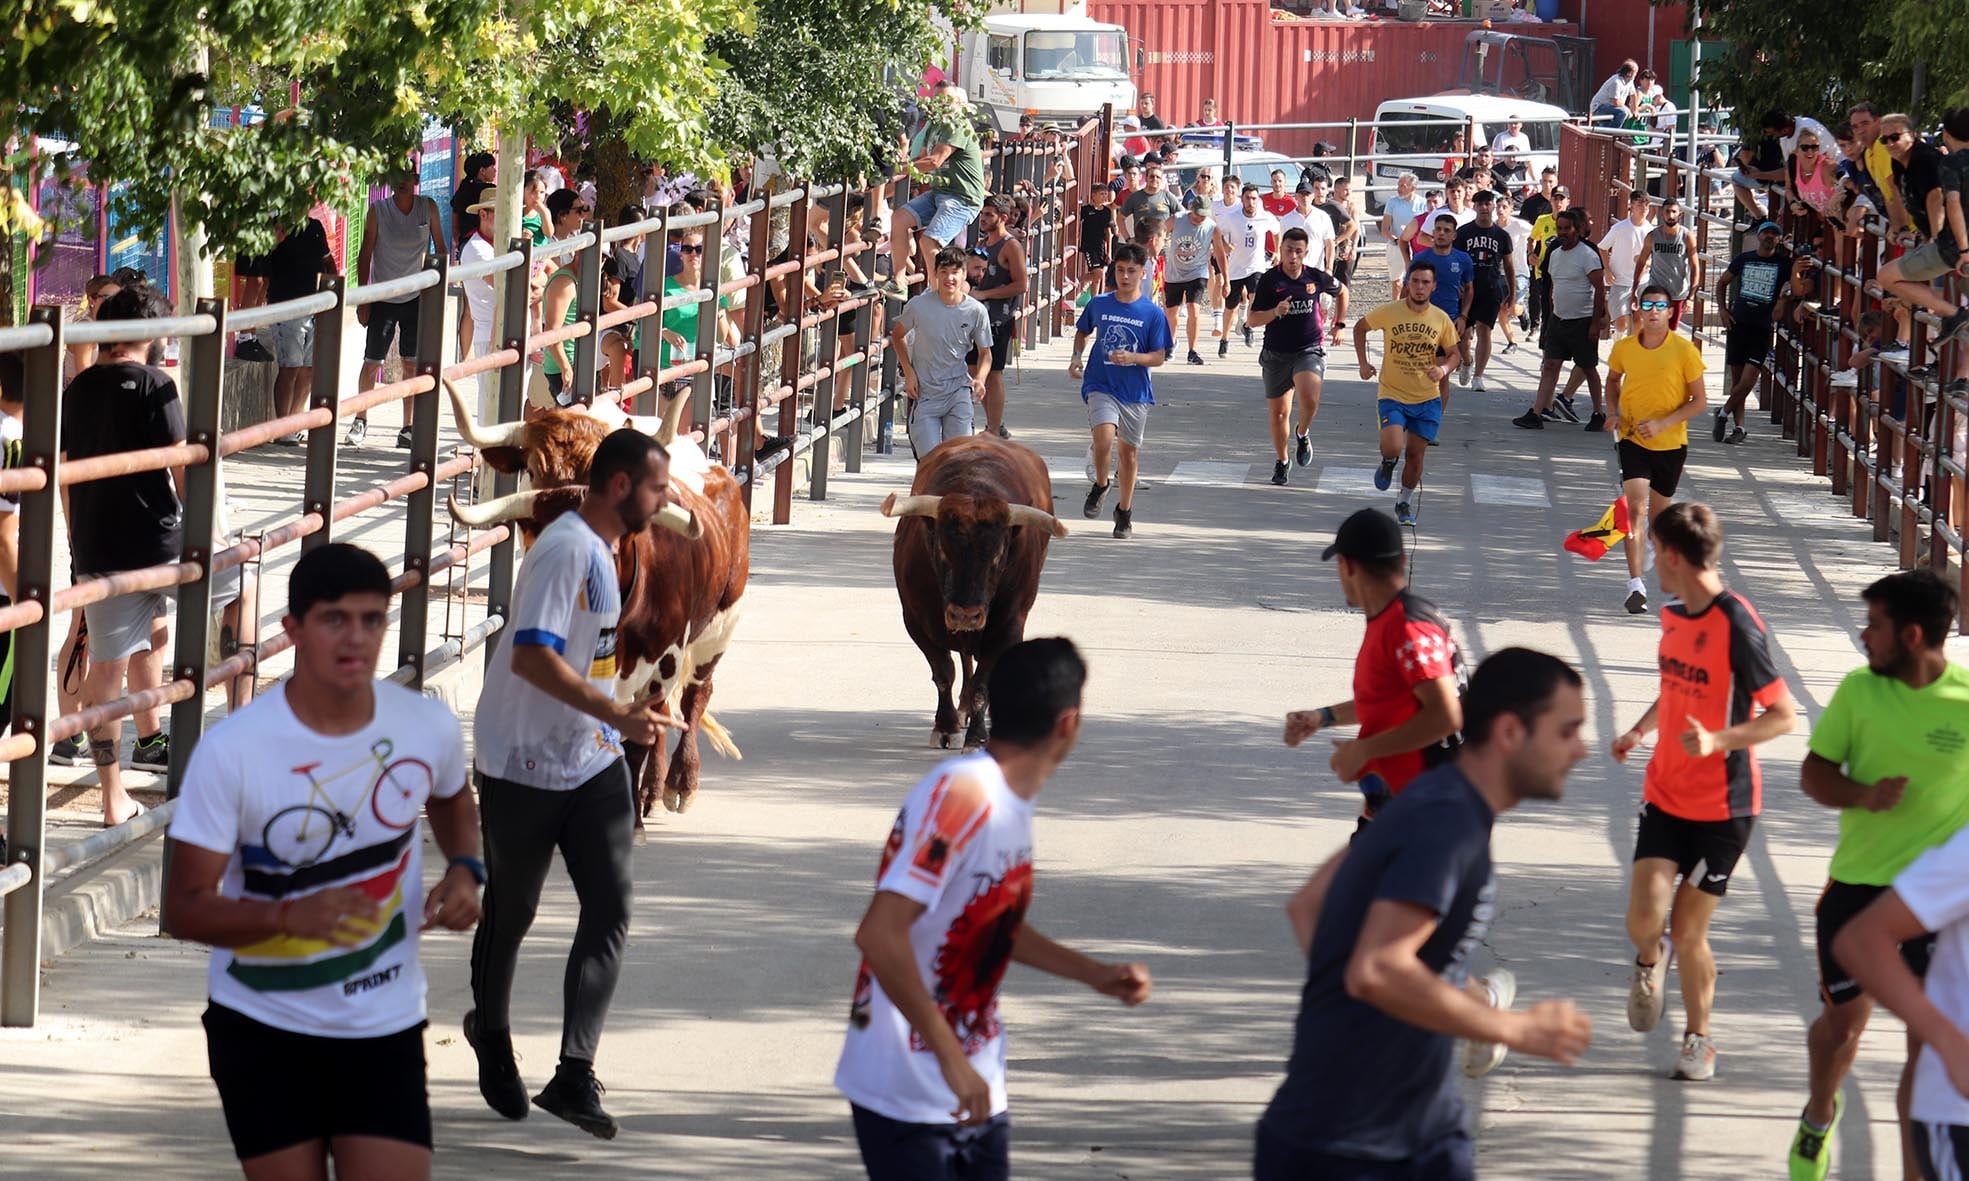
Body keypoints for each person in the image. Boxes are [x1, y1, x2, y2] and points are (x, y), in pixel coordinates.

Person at [165, 543, 481, 1180]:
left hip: (383, 1027)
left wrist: (467, 867)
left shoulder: (427, 727)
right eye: (334, 619)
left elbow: (451, 797)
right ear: (293, 631)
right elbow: (183, 908)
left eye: (372, 620)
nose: (356, 638)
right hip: (262, 1027)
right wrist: (286, 917)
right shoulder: (233, 750)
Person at [1260, 646, 1593, 1180]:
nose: (1581, 750)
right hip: (1356, 1146)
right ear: (1509, 733)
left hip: (1400, 1127)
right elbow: (1380, 968)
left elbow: (1311, 907)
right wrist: (1510, 1028)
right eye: (1567, 730)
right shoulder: (1449, 823)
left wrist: (1361, 1019)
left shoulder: (1427, 798)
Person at [835, 638, 1150, 1180]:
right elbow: (880, 935)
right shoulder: (964, 795)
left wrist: (1093, 974)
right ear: (1067, 724)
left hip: (975, 1083)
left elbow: (986, 922)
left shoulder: (1006, 800)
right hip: (907, 1093)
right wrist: (951, 1061)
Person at [465, 429, 684, 1139]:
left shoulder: (606, 550)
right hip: (522, 760)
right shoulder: (564, 550)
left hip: (588, 758)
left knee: (611, 906)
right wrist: (615, 711)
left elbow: (586, 661)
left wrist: (626, 713)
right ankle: (490, 1032)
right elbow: (531, 657)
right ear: (620, 486)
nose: (666, 498)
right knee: (514, 911)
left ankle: (573, 1072)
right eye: (657, 487)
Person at [1785, 570, 1968, 1181]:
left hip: (1936, 908)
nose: (1864, 636)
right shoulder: (1859, 692)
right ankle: (1819, 1112)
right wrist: (1863, 795)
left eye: (1876, 626)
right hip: (1858, 894)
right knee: (1843, 1027)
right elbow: (1814, 774)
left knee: (1927, 1046)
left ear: (1912, 636)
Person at [1612, 502, 1799, 1083]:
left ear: (1671, 555)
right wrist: (1642, 728)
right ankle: (1649, 962)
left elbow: (1784, 717)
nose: (1646, 555)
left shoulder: (1737, 623)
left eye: (1651, 546)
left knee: (1690, 931)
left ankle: (1699, 1041)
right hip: (1665, 791)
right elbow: (1674, 686)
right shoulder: (1673, 614)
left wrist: (1718, 739)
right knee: (1644, 920)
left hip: (1724, 807)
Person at [59, 284, 185, 826]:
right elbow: (183, 466)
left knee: (110, 664)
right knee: (243, 591)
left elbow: (64, 472)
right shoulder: (158, 383)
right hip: (162, 543)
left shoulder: (77, 388)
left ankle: (114, 795)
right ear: (150, 333)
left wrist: (76, 539)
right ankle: (240, 750)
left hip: (98, 545)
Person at [1286, 507, 1464, 828]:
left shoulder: (1408, 627)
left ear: (1347, 565)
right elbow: (1389, 700)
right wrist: (1322, 717)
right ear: (1402, 562)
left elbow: (1446, 716)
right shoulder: (1393, 620)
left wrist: (1363, 750)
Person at [1606, 284, 1707, 615]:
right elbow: (1612, 381)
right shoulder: (1625, 348)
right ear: (1638, 308)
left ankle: (1651, 543)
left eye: (1659, 306)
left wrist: (1664, 424)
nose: (1652, 311)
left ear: (1669, 311)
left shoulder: (1684, 350)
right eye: (1647, 304)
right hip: (1633, 439)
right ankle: (1635, 584)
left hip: (1670, 443)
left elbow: (1700, 401)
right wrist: (1613, 412)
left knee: (1659, 518)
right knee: (1633, 508)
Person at [1071, 243, 1171, 539]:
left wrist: (1134, 358)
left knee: (1128, 455)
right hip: (1100, 384)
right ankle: (1102, 483)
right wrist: (1076, 357)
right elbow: (1082, 331)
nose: (1125, 276)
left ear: (1142, 273)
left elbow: (1159, 356)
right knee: (1102, 439)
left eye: (1131, 271)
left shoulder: (1152, 314)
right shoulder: (1100, 304)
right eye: (1120, 270)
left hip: (1135, 392)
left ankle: (1124, 512)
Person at [346, 165, 445, 449]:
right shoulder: (378, 210)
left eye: (407, 177)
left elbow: (440, 247)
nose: (401, 183)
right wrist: (365, 297)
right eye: (395, 178)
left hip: (416, 297)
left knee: (411, 363)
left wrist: (435, 290)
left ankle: (408, 427)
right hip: (383, 296)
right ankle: (360, 419)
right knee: (372, 362)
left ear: (416, 180)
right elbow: (365, 253)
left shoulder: (428, 207)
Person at [1356, 263, 1462, 525]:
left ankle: (1404, 502)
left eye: (1425, 282)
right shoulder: (1390, 312)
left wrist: (1444, 369)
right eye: (1415, 281)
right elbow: (1360, 327)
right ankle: (1388, 461)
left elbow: (1455, 354)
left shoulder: (1440, 319)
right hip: (1392, 392)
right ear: (1407, 284)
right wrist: (1363, 362)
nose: (1419, 287)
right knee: (1392, 445)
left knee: (1415, 455)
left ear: (1434, 286)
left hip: (1427, 398)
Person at [1248, 227, 1344, 487]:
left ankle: (1302, 433)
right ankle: (1282, 461)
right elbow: (1252, 319)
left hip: (1309, 349)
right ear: (1281, 250)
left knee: (1309, 398)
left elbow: (1342, 291)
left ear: (1306, 252)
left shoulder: (1315, 277)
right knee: (1280, 414)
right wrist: (1275, 312)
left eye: (1298, 251)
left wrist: (1340, 323)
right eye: (1288, 250)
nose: (1293, 256)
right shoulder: (1269, 280)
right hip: (1276, 353)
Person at [235, 217, 337, 445]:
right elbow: (259, 270)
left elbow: (328, 261)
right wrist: (275, 239)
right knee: (290, 368)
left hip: (316, 308)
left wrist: (334, 296)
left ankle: (295, 422)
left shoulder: (315, 227)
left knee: (308, 370)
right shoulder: (275, 227)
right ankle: (282, 427)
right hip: (286, 307)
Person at [1875, 109, 1969, 348]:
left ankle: (1955, 314)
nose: (1889, 144)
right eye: (1884, 140)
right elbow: (1902, 196)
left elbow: (1939, 199)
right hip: (1949, 243)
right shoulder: (1900, 162)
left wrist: (1937, 237)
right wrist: (1905, 227)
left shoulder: (1934, 160)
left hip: (1952, 245)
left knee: (1886, 277)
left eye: (1894, 137)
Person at [884, 81, 986, 298]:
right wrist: (890, 176)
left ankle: (939, 295)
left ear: (958, 103)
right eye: (937, 99)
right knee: (899, 219)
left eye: (947, 100)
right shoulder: (935, 126)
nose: (941, 104)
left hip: (962, 197)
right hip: (941, 192)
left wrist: (893, 169)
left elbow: (934, 161)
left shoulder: (958, 125)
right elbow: (919, 159)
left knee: (929, 241)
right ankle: (899, 282)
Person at [1513, 208, 1609, 433]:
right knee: (1550, 365)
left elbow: (1600, 289)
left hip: (1583, 320)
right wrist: (1549, 320)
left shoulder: (1588, 255)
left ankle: (1598, 413)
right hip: (1558, 320)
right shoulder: (1554, 254)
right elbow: (1552, 287)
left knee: (1588, 367)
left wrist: (1596, 322)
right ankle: (1536, 413)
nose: (1563, 233)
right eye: (1560, 229)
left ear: (1577, 230)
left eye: (1567, 229)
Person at [894, 247, 994, 459]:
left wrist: (980, 379)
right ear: (936, 273)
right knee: (930, 463)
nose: (950, 278)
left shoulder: (976, 311)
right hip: (926, 395)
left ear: (964, 274)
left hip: (958, 391)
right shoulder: (918, 306)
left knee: (957, 460)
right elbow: (897, 335)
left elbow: (985, 353)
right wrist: (909, 372)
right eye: (944, 271)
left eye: (955, 272)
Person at [1711, 221, 1794, 446]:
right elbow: (1722, 283)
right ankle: (1740, 427)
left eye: (1774, 233)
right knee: (1738, 380)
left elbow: (1791, 286)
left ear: (1779, 239)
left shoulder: (1785, 263)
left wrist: (1782, 300)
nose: (1770, 236)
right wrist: (1722, 309)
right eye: (1766, 232)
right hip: (1738, 324)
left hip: (1762, 328)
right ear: (1758, 236)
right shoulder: (1744, 259)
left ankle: (1722, 413)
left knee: (1748, 381)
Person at [969, 196, 1030, 439]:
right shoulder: (982, 243)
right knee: (974, 369)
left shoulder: (1011, 245)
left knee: (993, 372)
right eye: (982, 214)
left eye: (989, 215)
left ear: (1003, 218)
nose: (983, 219)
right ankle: (995, 423)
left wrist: (985, 294)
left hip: (998, 319)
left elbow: (1021, 284)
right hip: (976, 316)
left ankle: (994, 428)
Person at [534, 189, 597, 408]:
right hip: (545, 337)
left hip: (558, 342)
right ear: (562, 215)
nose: (583, 215)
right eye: (579, 210)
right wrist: (565, 366)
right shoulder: (547, 246)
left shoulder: (573, 243)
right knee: (536, 403)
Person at [1407, 213, 1474, 412]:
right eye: (1438, 229)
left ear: (1454, 235)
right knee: (1416, 375)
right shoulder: (1420, 258)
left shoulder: (1462, 259)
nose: (1441, 234)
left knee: (1440, 377)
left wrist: (1463, 316)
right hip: (1419, 323)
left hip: (1448, 324)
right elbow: (1406, 289)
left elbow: (1469, 289)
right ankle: (1413, 414)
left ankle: (1433, 422)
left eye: (1446, 230)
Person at [1453, 190, 1515, 393]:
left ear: (1493, 206)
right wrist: (1457, 283)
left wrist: (1512, 294)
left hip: (1491, 287)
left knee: (1484, 330)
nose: (1484, 208)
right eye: (1480, 204)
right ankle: (1467, 361)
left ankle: (1478, 376)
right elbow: (1455, 260)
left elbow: (1509, 266)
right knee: (1462, 334)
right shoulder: (1463, 233)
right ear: (1475, 207)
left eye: (1488, 203)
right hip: (1467, 288)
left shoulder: (1502, 236)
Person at [1215, 184, 1280, 359]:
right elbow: (1217, 233)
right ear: (1242, 199)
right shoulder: (1231, 217)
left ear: (1258, 200)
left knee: (1256, 297)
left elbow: (1276, 230)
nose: (1251, 202)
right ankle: (1224, 339)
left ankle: (1248, 326)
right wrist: (1226, 246)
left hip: (1256, 266)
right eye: (1247, 198)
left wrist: (1277, 251)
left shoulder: (1265, 217)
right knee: (1231, 307)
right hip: (1236, 268)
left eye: (1254, 198)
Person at [1163, 195, 1215, 367]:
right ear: (1191, 209)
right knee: (1171, 313)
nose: (1200, 218)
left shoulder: (1211, 227)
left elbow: (1221, 254)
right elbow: (1160, 234)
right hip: (1174, 273)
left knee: (1194, 309)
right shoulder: (1177, 219)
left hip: (1197, 272)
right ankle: (1171, 342)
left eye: (1203, 215)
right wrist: (1154, 252)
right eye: (1197, 214)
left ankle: (1192, 351)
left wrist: (1227, 280)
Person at [1633, 197, 1700, 329]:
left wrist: (1691, 296)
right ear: (1662, 214)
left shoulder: (1686, 237)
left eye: (1674, 212)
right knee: (1654, 328)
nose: (1671, 215)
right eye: (1667, 212)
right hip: (1656, 291)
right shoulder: (1652, 236)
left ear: (1680, 214)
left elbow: (1695, 267)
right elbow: (1641, 262)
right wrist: (1634, 290)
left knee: (1670, 331)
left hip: (1677, 292)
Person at [1598, 192, 1651, 335]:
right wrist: (1607, 271)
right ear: (1632, 206)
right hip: (1620, 281)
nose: (1644, 209)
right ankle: (1618, 339)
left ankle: (1634, 351)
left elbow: (1656, 257)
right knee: (1621, 322)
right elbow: (1602, 247)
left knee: (1639, 319)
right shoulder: (1619, 228)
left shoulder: (1651, 231)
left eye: (1646, 205)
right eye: (1640, 205)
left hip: (1642, 282)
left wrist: (1645, 261)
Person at [1315, 175, 1358, 328]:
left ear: (1328, 191)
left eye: (1322, 189)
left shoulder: (1334, 206)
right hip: (1316, 252)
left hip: (1337, 253)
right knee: (1318, 285)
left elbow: (1353, 226)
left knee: (1340, 284)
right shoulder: (1309, 206)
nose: (1319, 192)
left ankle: (1339, 317)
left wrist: (1338, 241)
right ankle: (1321, 314)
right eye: (1316, 188)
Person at [1120, 160, 1183, 244]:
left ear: (1161, 179)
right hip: (1141, 244)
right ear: (1146, 178)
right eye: (1152, 176)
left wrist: (1173, 236)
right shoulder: (1135, 197)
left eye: (1158, 177)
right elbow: (1120, 219)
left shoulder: (1168, 196)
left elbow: (1182, 216)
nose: (1155, 179)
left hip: (1162, 245)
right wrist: (1128, 239)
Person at [1074, 184, 1117, 304]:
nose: (1104, 196)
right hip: (1089, 246)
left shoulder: (1107, 211)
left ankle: (1094, 302)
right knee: (1098, 273)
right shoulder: (1086, 210)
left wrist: (1109, 252)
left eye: (1105, 194)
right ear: (1093, 195)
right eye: (1101, 194)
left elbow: (1108, 232)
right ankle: (1076, 280)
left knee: (1098, 277)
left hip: (1101, 246)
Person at [450, 150, 497, 251]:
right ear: (482, 171)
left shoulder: (463, 189)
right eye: (492, 167)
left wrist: (457, 239)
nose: (495, 170)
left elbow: (455, 214)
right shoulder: (489, 190)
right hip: (484, 241)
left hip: (465, 242)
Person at [1591, 60, 1639, 127]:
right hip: (1599, 107)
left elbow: (1633, 95)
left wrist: (1635, 110)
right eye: (1636, 72)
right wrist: (1628, 110)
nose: (1636, 74)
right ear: (1629, 73)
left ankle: (1609, 133)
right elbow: (1615, 102)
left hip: (1612, 108)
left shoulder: (1630, 81)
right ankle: (1613, 133)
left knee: (1606, 128)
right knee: (1623, 112)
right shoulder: (1616, 82)